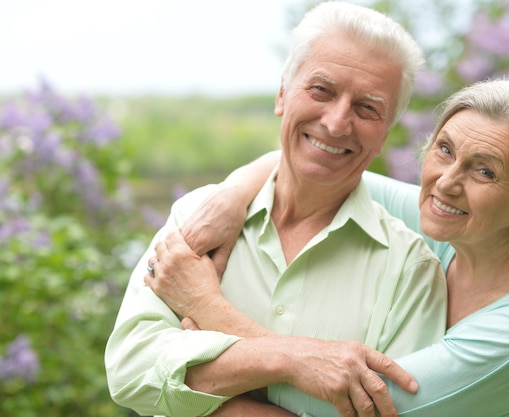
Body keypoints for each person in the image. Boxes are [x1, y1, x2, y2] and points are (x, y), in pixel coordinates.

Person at [150, 78, 509, 416]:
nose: (445, 183)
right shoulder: (462, 227)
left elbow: (352, 405)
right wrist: (232, 195)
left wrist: (205, 312)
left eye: (484, 171)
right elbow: (316, 168)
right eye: (445, 150)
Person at [105, 3, 448, 417]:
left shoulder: (413, 273)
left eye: (367, 108)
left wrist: (208, 372)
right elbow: (130, 370)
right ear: (282, 93)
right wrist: (295, 360)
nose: (337, 123)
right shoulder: (198, 217)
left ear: (385, 134)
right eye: (322, 90)